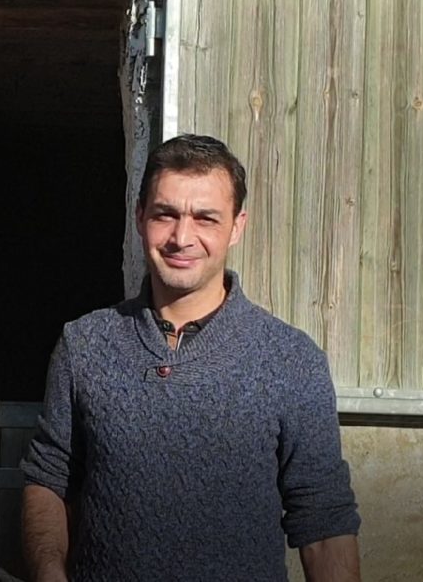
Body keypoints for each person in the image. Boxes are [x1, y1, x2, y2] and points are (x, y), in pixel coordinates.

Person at [20, 135, 360, 581]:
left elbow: (323, 520)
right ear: (140, 217)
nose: (182, 237)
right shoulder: (84, 343)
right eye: (166, 215)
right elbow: (49, 477)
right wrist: (49, 573)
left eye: (205, 218)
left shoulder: (292, 360)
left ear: (237, 227)